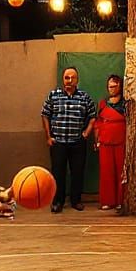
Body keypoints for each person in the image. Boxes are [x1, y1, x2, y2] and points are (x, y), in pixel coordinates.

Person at [41, 66, 96, 213]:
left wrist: (87, 132)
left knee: (77, 172)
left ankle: (76, 201)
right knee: (58, 173)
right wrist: (48, 136)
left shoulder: (84, 97)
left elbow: (92, 116)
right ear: (63, 79)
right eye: (67, 78)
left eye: (72, 78)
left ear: (77, 80)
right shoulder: (53, 95)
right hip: (58, 142)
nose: (69, 81)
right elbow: (45, 115)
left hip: (77, 142)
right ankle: (57, 201)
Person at [94, 74, 127, 211]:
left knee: (121, 171)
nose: (111, 89)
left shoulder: (126, 104)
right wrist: (96, 140)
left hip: (121, 141)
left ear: (120, 86)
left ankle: (121, 201)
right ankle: (108, 201)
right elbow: (97, 123)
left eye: (114, 86)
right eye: (109, 86)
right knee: (106, 171)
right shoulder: (103, 104)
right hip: (105, 142)